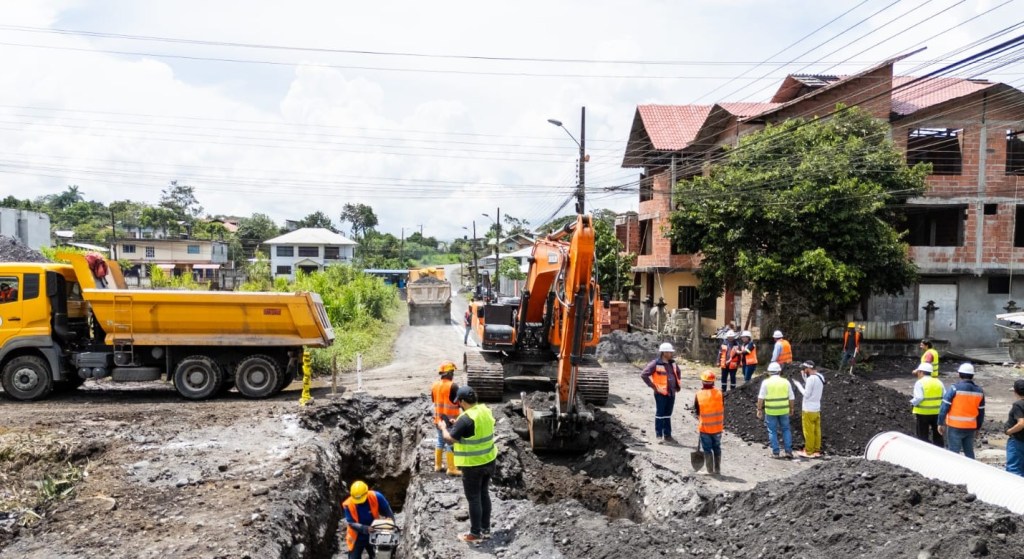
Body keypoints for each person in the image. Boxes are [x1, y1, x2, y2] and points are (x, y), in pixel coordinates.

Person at [441, 385, 497, 544]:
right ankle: (486, 529)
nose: (459, 404)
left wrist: (444, 427)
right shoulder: (485, 410)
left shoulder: (465, 419)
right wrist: (456, 424)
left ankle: (475, 533)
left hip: (473, 465)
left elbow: (450, 438)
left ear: (463, 401)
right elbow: (475, 430)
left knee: (473, 498)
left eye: (459, 402)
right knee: (484, 494)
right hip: (489, 460)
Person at [938, 363, 985, 459]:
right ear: (972, 375)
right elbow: (981, 413)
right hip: (970, 427)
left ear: (959, 374)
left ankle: (953, 472)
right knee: (969, 452)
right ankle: (972, 470)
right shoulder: (979, 391)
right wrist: (978, 427)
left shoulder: (954, 388)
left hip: (955, 426)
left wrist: (940, 422)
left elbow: (944, 407)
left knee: (954, 453)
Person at [640, 342, 683, 444]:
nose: (671, 354)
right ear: (664, 353)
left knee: (668, 414)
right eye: (669, 352)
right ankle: (659, 435)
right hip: (660, 393)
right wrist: (653, 386)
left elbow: (678, 372)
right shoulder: (655, 363)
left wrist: (677, 385)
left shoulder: (673, 363)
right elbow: (644, 375)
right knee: (660, 414)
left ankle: (668, 435)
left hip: (671, 393)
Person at [341, 480, 396, 559]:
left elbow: (388, 512)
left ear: (366, 492)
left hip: (374, 533)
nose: (359, 503)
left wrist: (391, 526)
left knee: (377, 556)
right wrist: (365, 529)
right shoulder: (348, 504)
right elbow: (351, 523)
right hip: (357, 536)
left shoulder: (376, 496)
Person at [757, 362, 795, 459]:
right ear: (779, 371)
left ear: (769, 372)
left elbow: (761, 398)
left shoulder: (766, 382)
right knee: (786, 429)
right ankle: (788, 452)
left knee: (772, 431)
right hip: (783, 410)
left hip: (771, 411)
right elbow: (791, 398)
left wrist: (759, 409)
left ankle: (776, 453)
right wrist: (791, 408)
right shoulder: (786, 382)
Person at [431, 360, 461, 476]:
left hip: (439, 420)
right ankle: (451, 468)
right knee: (451, 443)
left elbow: (434, 400)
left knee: (440, 441)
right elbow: (459, 403)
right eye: (452, 372)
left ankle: (437, 466)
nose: (453, 375)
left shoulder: (435, 385)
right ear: (448, 373)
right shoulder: (453, 386)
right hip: (451, 421)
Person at [693, 370, 724, 474]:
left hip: (705, 428)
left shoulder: (699, 394)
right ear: (713, 382)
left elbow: (697, 411)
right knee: (717, 448)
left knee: (707, 449)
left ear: (702, 382)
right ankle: (717, 469)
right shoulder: (720, 393)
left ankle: (709, 470)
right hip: (718, 428)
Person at [791, 361, 824, 458]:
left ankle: (808, 451)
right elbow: (813, 387)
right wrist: (805, 379)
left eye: (804, 369)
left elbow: (806, 394)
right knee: (816, 431)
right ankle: (816, 450)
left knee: (808, 431)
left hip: (808, 409)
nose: (804, 370)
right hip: (817, 408)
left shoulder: (811, 379)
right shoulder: (820, 377)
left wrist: (798, 385)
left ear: (808, 368)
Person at [909, 362, 944, 447]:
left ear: (921, 372)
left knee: (922, 436)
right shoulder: (939, 382)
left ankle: (924, 451)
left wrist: (911, 402)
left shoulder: (920, 382)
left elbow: (919, 397)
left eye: (918, 372)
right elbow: (944, 396)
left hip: (923, 413)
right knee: (938, 435)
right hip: (937, 412)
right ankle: (940, 451)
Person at [1005, 379, 1024, 477]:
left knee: (1014, 470)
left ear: (1015, 391)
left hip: (1018, 440)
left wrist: (1009, 431)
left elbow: (1021, 423)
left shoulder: (1018, 404)